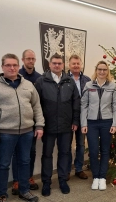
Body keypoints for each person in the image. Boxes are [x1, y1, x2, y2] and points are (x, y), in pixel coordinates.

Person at [0, 53, 44, 202]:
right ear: (2, 67)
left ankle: (24, 191)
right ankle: (1, 194)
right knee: (3, 164)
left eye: (14, 65)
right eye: (8, 65)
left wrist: (39, 125)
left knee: (25, 162)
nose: (12, 68)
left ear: (18, 66)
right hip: (5, 133)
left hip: (27, 132)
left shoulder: (27, 85)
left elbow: (37, 106)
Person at [35, 54, 80, 196]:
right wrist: (39, 125)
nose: (57, 65)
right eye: (54, 63)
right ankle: (46, 183)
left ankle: (62, 180)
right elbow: (36, 105)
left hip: (66, 126)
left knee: (65, 153)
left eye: (59, 63)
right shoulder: (41, 81)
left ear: (63, 65)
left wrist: (75, 121)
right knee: (47, 155)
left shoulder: (69, 81)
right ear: (49, 65)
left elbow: (76, 102)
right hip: (48, 126)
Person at [80, 60, 116, 190]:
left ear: (107, 71)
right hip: (91, 123)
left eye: (104, 70)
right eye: (99, 69)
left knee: (104, 150)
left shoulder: (112, 86)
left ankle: (102, 177)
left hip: (107, 122)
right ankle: (95, 177)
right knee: (93, 150)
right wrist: (84, 123)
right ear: (96, 71)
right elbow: (84, 105)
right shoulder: (88, 85)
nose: (102, 72)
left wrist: (115, 123)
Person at [11, 49, 42, 195]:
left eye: (33, 59)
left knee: (31, 152)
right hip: (16, 123)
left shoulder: (39, 78)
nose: (31, 61)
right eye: (28, 58)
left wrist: (40, 123)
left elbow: (39, 103)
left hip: (33, 123)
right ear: (23, 60)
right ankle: (17, 180)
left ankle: (28, 178)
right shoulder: (16, 76)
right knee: (17, 153)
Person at [67, 54, 91, 180]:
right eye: (73, 63)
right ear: (69, 65)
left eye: (78, 63)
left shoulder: (87, 80)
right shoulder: (64, 79)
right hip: (68, 117)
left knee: (81, 145)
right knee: (66, 146)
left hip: (83, 117)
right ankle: (66, 171)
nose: (76, 65)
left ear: (81, 64)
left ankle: (79, 169)